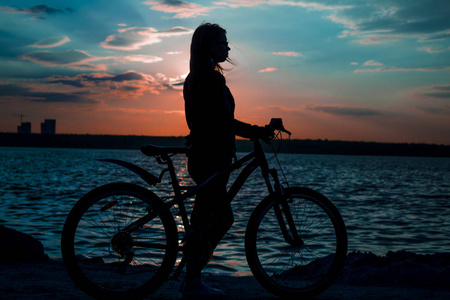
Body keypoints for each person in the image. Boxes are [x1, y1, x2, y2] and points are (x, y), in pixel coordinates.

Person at [182, 23, 278, 298]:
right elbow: (223, 122)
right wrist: (258, 132)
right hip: (211, 157)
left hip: (205, 156)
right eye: (223, 42)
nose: (228, 47)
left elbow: (209, 121)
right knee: (220, 218)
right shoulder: (210, 79)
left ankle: (191, 276)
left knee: (206, 219)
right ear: (209, 46)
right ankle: (191, 280)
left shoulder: (195, 76)